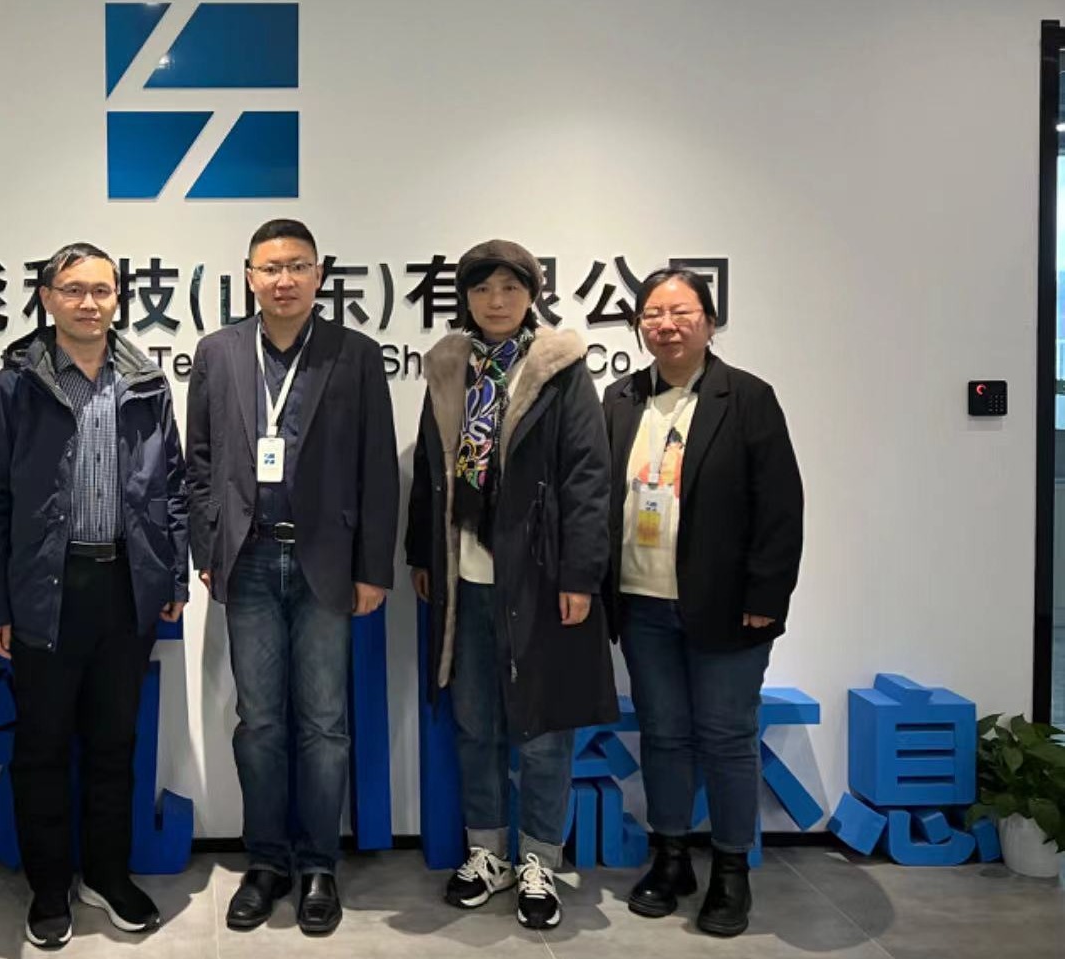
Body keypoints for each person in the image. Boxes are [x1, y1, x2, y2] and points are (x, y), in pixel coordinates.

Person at [0, 242, 189, 950]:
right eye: (73, 289)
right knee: (40, 746)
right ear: (47, 298)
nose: (88, 302)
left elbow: (173, 486)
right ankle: (47, 886)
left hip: (125, 585)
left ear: (118, 298)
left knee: (114, 743)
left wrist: (172, 575)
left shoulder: (146, 382)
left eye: (101, 289)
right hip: (46, 589)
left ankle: (106, 874)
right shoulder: (12, 387)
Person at [186, 218, 398, 936]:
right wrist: (207, 547)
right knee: (260, 723)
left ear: (319, 275)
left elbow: (376, 467)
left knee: (325, 724)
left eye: (297, 267)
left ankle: (319, 865)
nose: (284, 280)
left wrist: (373, 567)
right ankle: (266, 860)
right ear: (248, 276)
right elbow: (200, 459)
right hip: (246, 560)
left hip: (326, 564)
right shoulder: (218, 352)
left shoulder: (354, 353)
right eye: (270, 268)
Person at [405, 238, 617, 930]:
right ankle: (488, 851)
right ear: (464, 298)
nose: (496, 301)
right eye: (482, 289)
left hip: (541, 579)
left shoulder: (559, 370)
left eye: (510, 288)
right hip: (465, 579)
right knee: (475, 723)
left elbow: (589, 477)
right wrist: (422, 555)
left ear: (531, 296)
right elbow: (431, 474)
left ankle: (540, 860)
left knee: (543, 729)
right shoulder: (449, 368)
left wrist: (581, 573)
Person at [602, 267, 804, 938]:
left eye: (681, 312)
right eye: (652, 314)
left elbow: (780, 506)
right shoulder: (621, 399)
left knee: (725, 735)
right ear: (639, 325)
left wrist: (766, 596)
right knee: (663, 733)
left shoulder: (746, 397)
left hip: (726, 606)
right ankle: (670, 857)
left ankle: (730, 868)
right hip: (642, 599)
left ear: (710, 322)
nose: (666, 325)